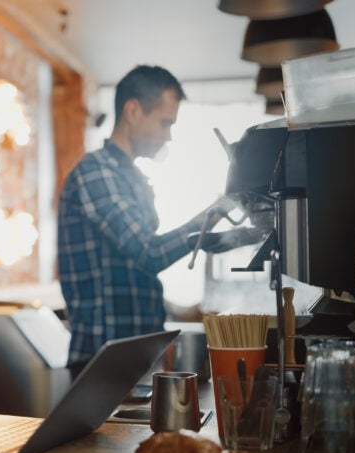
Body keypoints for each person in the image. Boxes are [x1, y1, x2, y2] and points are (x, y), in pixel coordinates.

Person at [57, 65, 255, 369]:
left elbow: (129, 274)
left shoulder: (132, 179)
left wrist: (176, 309)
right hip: (102, 358)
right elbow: (148, 253)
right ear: (133, 111)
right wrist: (215, 212)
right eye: (165, 123)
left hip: (136, 351)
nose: (169, 136)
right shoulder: (96, 172)